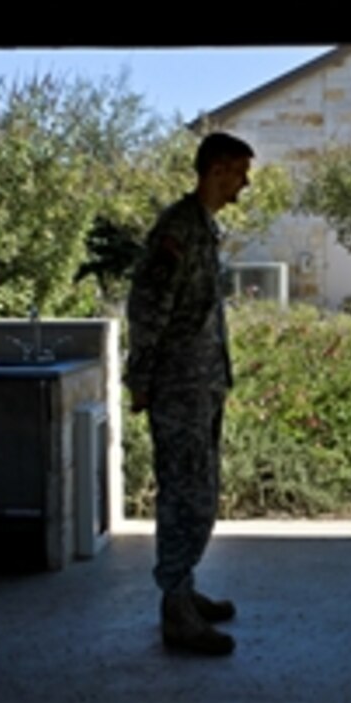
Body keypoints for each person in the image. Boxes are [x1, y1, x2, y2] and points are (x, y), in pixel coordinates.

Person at [125, 131, 253, 656]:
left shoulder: (203, 227)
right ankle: (175, 611)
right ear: (218, 168)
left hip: (201, 384)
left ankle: (183, 589)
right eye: (241, 171)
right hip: (179, 386)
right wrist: (141, 378)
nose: (245, 182)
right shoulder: (177, 229)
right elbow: (147, 307)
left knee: (199, 491)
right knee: (184, 495)